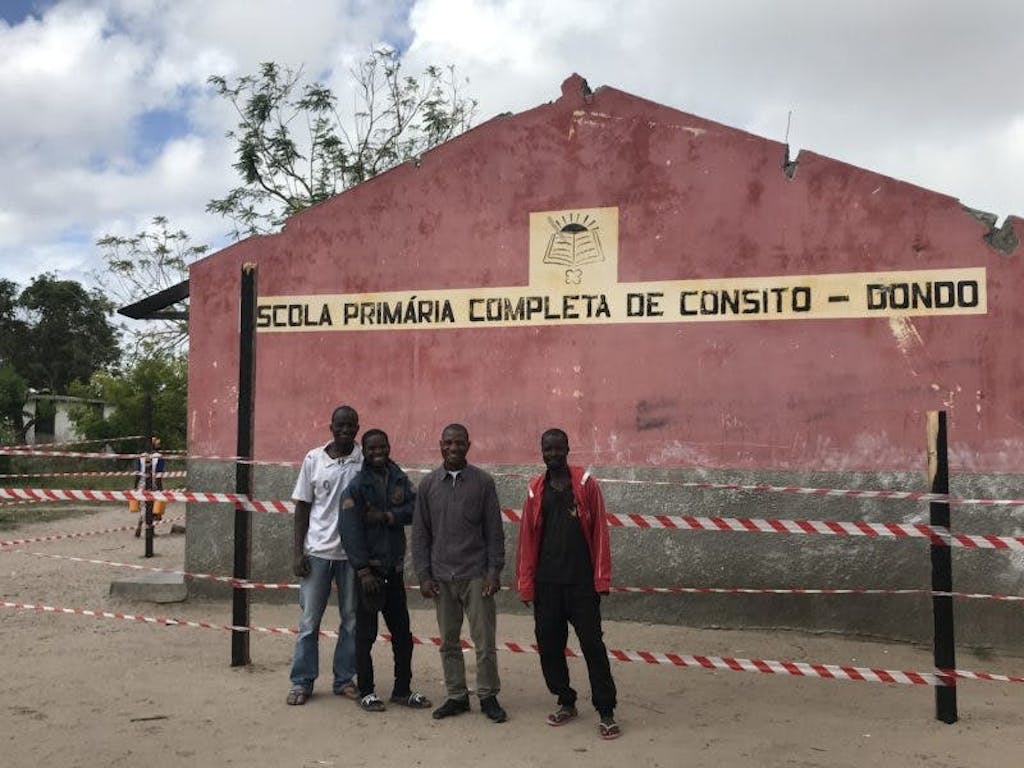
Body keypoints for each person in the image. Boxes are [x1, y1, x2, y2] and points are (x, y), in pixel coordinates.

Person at [516, 428, 620, 740]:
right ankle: (566, 700)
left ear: (568, 448)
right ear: (541, 451)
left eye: (558, 448)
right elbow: (527, 539)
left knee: (592, 645)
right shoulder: (535, 489)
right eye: (547, 449)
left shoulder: (586, 485)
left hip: (581, 585)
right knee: (549, 645)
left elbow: (600, 531)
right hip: (547, 586)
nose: (552, 454)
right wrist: (526, 583)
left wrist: (601, 580)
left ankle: (606, 710)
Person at [411, 423, 507, 723]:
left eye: (459, 443)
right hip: (441, 576)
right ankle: (456, 696)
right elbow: (420, 535)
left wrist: (494, 572)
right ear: (441, 445)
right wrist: (424, 576)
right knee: (449, 641)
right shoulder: (428, 486)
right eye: (449, 443)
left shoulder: (483, 483)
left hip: (476, 573)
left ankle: (488, 695)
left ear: (469, 445)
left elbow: (494, 531)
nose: (454, 448)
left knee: (484, 641)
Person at [339, 429, 432, 713]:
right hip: (370, 575)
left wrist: (388, 516)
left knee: (403, 634)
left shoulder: (399, 477)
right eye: (371, 448)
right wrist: (363, 571)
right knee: (365, 636)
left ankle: (402, 690)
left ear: (389, 447)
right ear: (364, 451)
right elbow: (349, 531)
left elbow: (416, 508)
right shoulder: (356, 486)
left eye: (382, 447)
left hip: (394, 571)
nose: (377, 452)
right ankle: (366, 692)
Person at [285, 405, 362, 706]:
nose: (345, 430)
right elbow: (302, 507)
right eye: (340, 425)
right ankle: (302, 682)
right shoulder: (313, 459)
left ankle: (344, 679)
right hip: (317, 553)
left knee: (351, 621)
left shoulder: (363, 460)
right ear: (330, 427)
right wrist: (297, 552)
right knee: (308, 622)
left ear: (357, 428)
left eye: (351, 426)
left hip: (351, 557)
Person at [131, 436, 165, 538]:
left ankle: (139, 526)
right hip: (153, 484)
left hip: (142, 484)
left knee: (144, 507)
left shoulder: (141, 456)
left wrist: (135, 487)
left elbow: (137, 473)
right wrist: (160, 489)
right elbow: (159, 475)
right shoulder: (159, 457)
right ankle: (150, 530)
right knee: (153, 508)